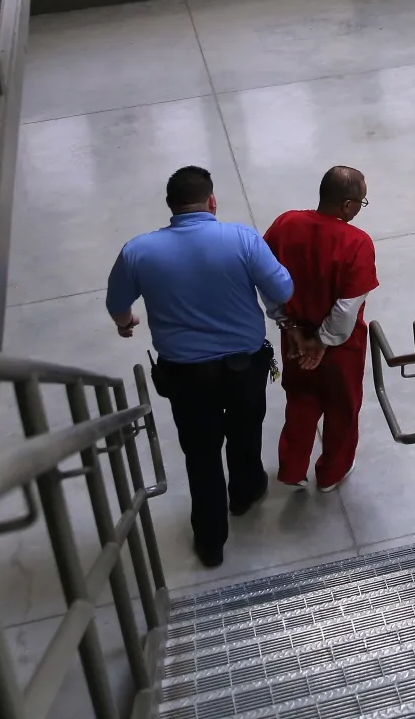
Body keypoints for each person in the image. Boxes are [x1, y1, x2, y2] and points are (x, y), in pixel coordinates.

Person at [107, 166, 292, 568]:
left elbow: (117, 304)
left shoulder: (138, 251)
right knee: (246, 429)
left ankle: (210, 540)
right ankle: (245, 491)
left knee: (201, 453)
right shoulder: (242, 239)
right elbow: (282, 289)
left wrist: (126, 323)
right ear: (212, 201)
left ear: (170, 206)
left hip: (185, 376)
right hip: (244, 367)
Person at [263, 166, 379, 493]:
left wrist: (287, 324)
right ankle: (331, 473)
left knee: (300, 399)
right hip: (341, 348)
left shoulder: (285, 224)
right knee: (342, 407)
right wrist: (322, 341)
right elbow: (346, 307)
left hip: (294, 336)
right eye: (361, 201)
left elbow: (266, 279)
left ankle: (292, 468)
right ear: (346, 205)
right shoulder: (357, 242)